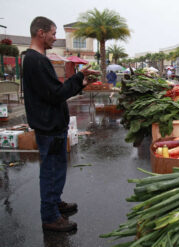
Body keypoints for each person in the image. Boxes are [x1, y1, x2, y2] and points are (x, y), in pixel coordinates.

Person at [23, 16, 99, 232]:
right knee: (50, 172)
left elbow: (55, 92)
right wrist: (78, 77)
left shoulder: (36, 59)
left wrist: (79, 81)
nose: (55, 38)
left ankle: (54, 204)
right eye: (53, 33)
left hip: (51, 125)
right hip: (48, 127)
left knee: (57, 170)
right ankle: (49, 217)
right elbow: (55, 94)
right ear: (41, 32)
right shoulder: (35, 60)